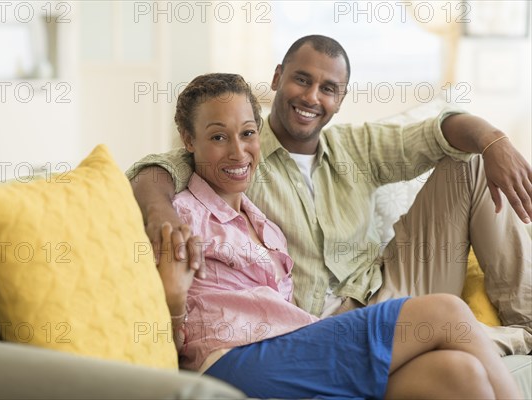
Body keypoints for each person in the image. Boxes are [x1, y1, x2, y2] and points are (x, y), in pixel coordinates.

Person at [128, 35, 532, 354]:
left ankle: (527, 323)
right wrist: (160, 212)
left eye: (328, 88)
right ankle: (472, 339)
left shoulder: (358, 148)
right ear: (277, 78)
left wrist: (494, 141)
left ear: (340, 99)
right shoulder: (240, 151)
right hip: (318, 327)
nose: (311, 97)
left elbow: (438, 132)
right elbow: (158, 169)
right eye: (302, 79)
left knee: (471, 161)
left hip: (392, 286)